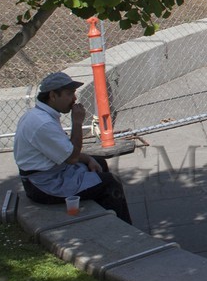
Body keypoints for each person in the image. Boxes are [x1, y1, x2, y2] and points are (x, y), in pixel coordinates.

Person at [14, 71, 131, 223]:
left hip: (50, 173)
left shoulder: (40, 115)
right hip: (43, 185)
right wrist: (77, 123)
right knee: (111, 183)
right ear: (53, 96)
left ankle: (105, 215)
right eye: (69, 94)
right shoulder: (43, 124)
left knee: (99, 163)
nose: (74, 99)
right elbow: (72, 157)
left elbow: (63, 151)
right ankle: (122, 227)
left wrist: (88, 159)